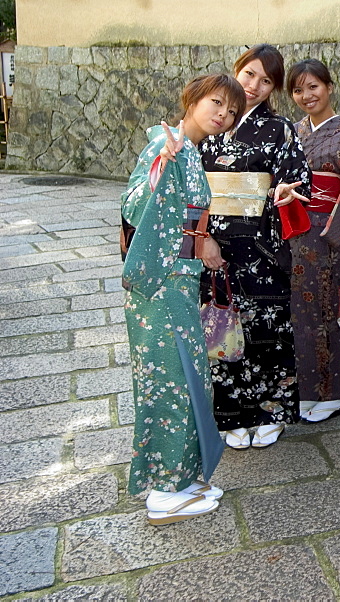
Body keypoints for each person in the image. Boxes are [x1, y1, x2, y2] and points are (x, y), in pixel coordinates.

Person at [121, 74, 246, 524]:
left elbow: (189, 219)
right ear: (192, 100)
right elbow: (133, 204)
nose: (223, 115)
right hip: (160, 283)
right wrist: (159, 168)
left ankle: (184, 475)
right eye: (216, 103)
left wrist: (202, 243)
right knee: (170, 379)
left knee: (190, 378)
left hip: (180, 278)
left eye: (231, 111)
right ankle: (164, 489)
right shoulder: (165, 145)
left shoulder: (190, 151)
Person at [199, 44, 312, 450]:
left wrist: (286, 190)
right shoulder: (210, 123)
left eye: (266, 81)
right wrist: (201, 237)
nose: (255, 86)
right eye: (249, 74)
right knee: (223, 329)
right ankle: (231, 414)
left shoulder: (281, 129)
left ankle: (270, 409)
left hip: (262, 246)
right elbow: (191, 189)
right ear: (236, 71)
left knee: (268, 330)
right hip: (215, 245)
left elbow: (302, 180)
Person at [286, 59, 340, 423]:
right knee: (296, 312)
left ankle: (330, 395)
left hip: (328, 230)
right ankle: (304, 392)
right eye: (298, 90)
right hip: (292, 228)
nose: (307, 95)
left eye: (313, 86)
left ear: (330, 87)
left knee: (322, 310)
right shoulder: (293, 131)